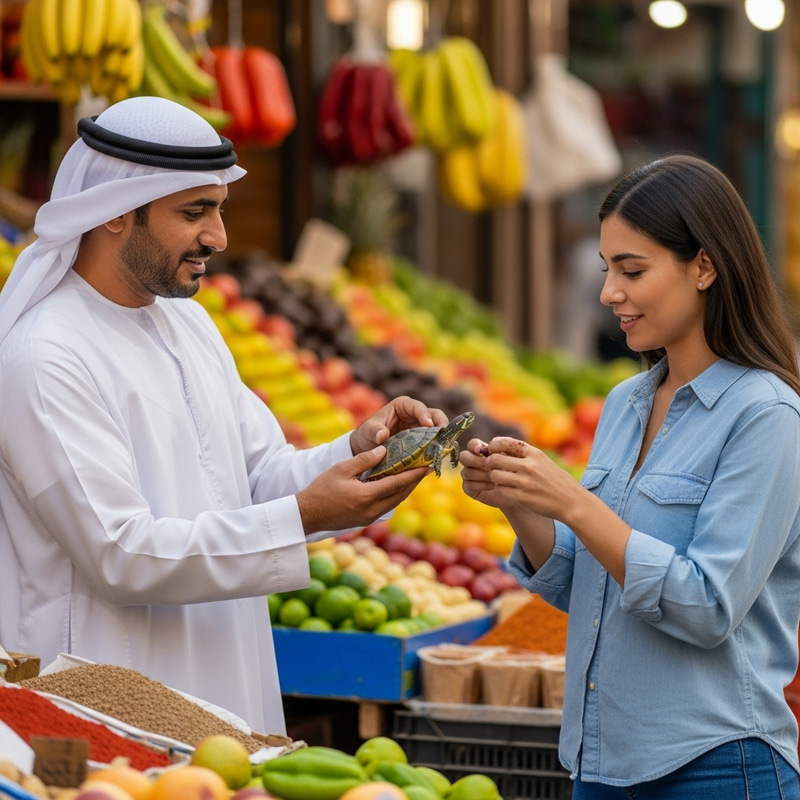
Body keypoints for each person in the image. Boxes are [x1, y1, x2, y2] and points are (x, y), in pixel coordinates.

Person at [0, 96, 447, 735]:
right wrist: (307, 515)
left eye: (219, 209)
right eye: (194, 212)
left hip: (227, 684)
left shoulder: (188, 322)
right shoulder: (45, 358)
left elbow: (256, 475)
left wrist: (361, 452)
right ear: (116, 216)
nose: (219, 237)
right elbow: (119, 553)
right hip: (108, 708)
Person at [460, 154, 800, 798]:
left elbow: (706, 607)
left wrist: (573, 503)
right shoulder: (626, 403)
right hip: (600, 762)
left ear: (704, 266)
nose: (607, 292)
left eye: (631, 269)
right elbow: (588, 590)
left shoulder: (767, 415)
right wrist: (521, 503)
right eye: (607, 268)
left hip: (717, 766)